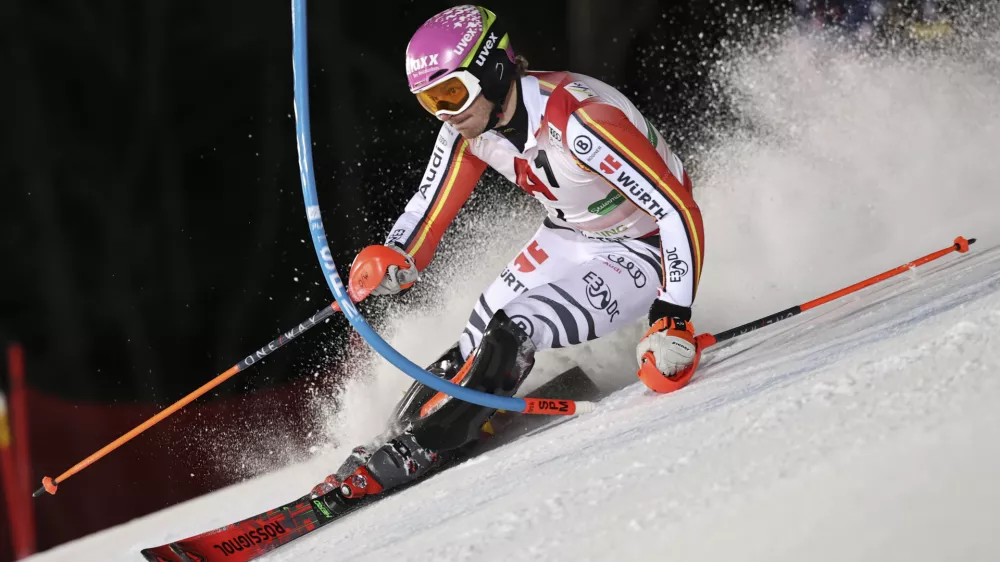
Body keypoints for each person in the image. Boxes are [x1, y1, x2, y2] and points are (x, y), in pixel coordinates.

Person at [311, 4, 706, 506]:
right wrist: (394, 256)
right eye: (429, 101)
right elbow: (428, 210)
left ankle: (435, 442)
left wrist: (673, 317)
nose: (444, 112)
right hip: (568, 234)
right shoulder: (465, 131)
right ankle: (394, 437)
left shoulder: (580, 121)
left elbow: (678, 210)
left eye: (450, 92)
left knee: (517, 324)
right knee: (479, 331)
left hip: (644, 246)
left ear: (493, 68)